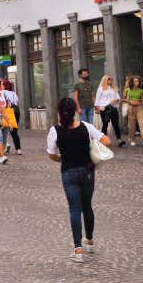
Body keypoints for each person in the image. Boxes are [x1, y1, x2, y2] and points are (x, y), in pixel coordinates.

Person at [46, 97, 110, 262]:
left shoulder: (55, 130)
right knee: (87, 206)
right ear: (75, 110)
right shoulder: (85, 126)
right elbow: (106, 140)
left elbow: (52, 154)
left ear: (59, 112)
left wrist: (63, 158)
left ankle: (78, 249)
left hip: (68, 172)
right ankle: (90, 241)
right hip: (88, 171)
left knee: (74, 209)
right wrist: (92, 149)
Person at [95, 75, 122, 143]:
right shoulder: (101, 88)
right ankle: (104, 140)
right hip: (104, 109)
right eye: (109, 79)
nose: (110, 81)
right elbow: (97, 99)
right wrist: (97, 108)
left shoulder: (113, 88)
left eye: (111, 79)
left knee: (115, 124)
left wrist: (115, 100)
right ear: (105, 80)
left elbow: (118, 97)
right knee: (105, 124)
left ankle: (119, 139)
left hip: (113, 108)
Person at [0, 79, 22, 154]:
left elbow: (2, 103)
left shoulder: (2, 92)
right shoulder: (13, 93)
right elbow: (16, 101)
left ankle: (5, 147)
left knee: (2, 131)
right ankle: (18, 149)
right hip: (15, 111)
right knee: (14, 131)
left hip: (7, 112)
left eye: (1, 85)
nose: (0, 86)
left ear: (4, 86)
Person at [122, 75, 143, 146]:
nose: (137, 82)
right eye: (135, 81)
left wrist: (140, 102)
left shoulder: (140, 90)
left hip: (139, 107)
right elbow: (123, 99)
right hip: (131, 107)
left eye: (138, 81)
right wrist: (130, 102)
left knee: (142, 123)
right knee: (131, 125)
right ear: (132, 82)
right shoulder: (128, 90)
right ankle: (132, 139)